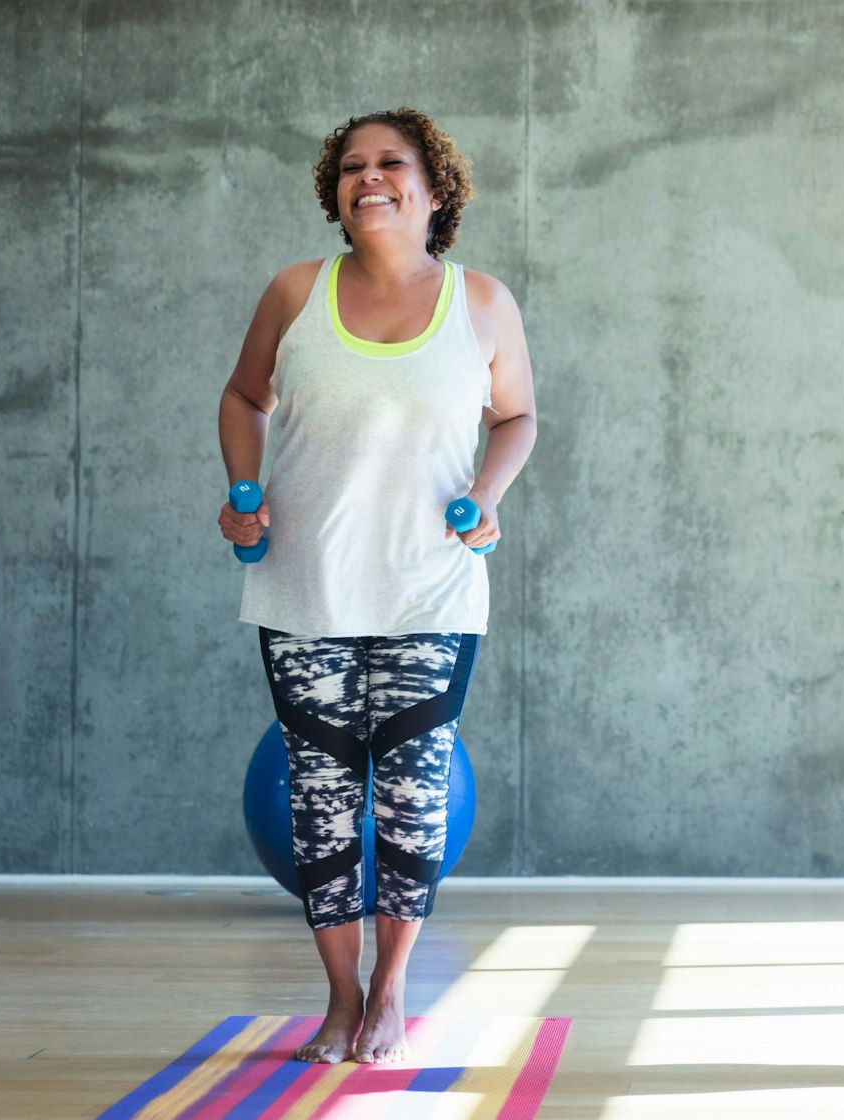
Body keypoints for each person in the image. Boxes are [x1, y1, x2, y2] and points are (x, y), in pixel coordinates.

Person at [216, 107, 537, 1065]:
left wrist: (486, 492)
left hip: (429, 592)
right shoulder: (293, 293)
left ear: (433, 188)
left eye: (392, 163)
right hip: (305, 586)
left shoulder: (482, 303)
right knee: (318, 799)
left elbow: (517, 416)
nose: (370, 177)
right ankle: (339, 994)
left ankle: (392, 990)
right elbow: (243, 396)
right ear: (336, 191)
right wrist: (244, 489)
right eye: (352, 166)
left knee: (412, 798)